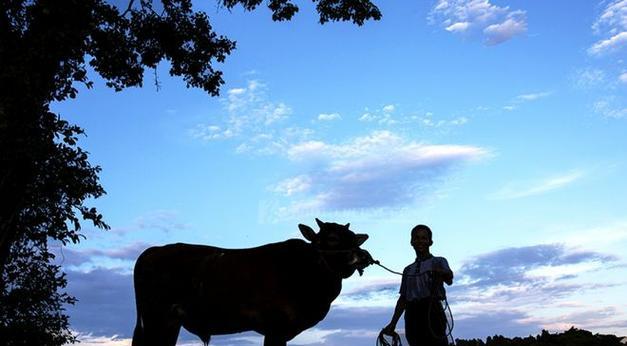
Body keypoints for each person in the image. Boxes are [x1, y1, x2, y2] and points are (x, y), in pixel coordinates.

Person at [382, 224, 454, 346]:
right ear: (411, 242)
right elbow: (403, 299)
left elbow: (449, 279)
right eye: (416, 238)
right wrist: (393, 323)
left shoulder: (439, 261)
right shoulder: (407, 270)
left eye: (423, 238)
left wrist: (441, 272)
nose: (420, 241)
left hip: (433, 312)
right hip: (412, 315)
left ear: (430, 242)